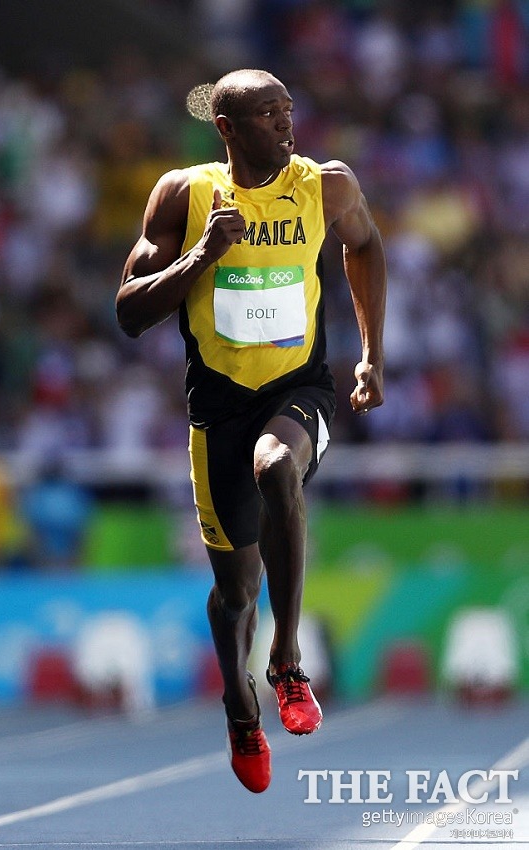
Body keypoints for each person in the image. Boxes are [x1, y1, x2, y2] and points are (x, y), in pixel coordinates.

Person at [116, 68, 386, 793]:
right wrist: (202, 255)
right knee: (234, 593)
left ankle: (287, 662)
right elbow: (129, 312)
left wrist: (370, 355)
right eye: (267, 114)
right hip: (219, 407)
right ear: (227, 128)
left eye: (287, 109)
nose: (285, 123)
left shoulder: (326, 185)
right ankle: (240, 707)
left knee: (277, 467)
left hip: (301, 389)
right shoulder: (185, 194)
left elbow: (365, 247)